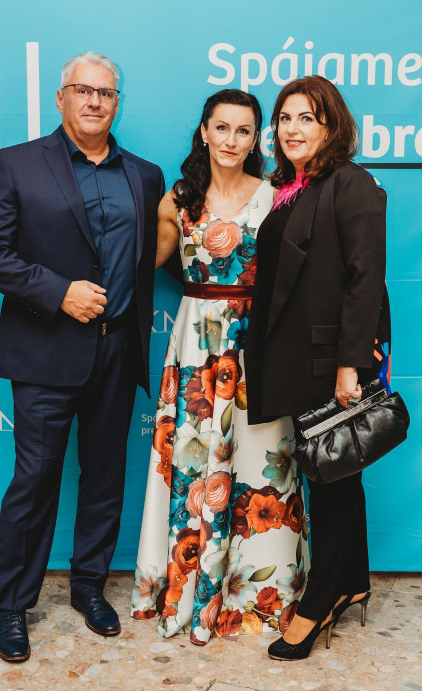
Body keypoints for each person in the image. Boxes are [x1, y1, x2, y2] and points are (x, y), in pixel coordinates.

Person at [0, 51, 165, 663]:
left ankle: (89, 587)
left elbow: (154, 254)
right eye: (82, 90)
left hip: (117, 351)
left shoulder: (146, 175)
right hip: (46, 351)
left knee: (105, 477)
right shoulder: (17, 163)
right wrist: (59, 293)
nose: (94, 101)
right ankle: (12, 604)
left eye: (106, 92)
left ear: (117, 102)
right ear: (61, 98)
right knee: (34, 481)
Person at [130, 89, 310, 646]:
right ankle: (187, 592)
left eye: (244, 130)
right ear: (204, 132)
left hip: (261, 348)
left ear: (257, 139)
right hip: (195, 348)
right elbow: (140, 264)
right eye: (222, 127)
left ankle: (258, 598)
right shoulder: (178, 199)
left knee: (264, 466)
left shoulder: (278, 196)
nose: (232, 140)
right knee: (194, 466)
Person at [244, 75, 390, 660]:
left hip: (330, 362)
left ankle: (319, 602)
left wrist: (350, 365)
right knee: (337, 473)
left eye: (307, 117)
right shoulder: (293, 187)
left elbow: (365, 279)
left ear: (332, 125)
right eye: (284, 118)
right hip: (297, 357)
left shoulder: (350, 183)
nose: (292, 128)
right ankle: (352, 582)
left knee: (332, 482)